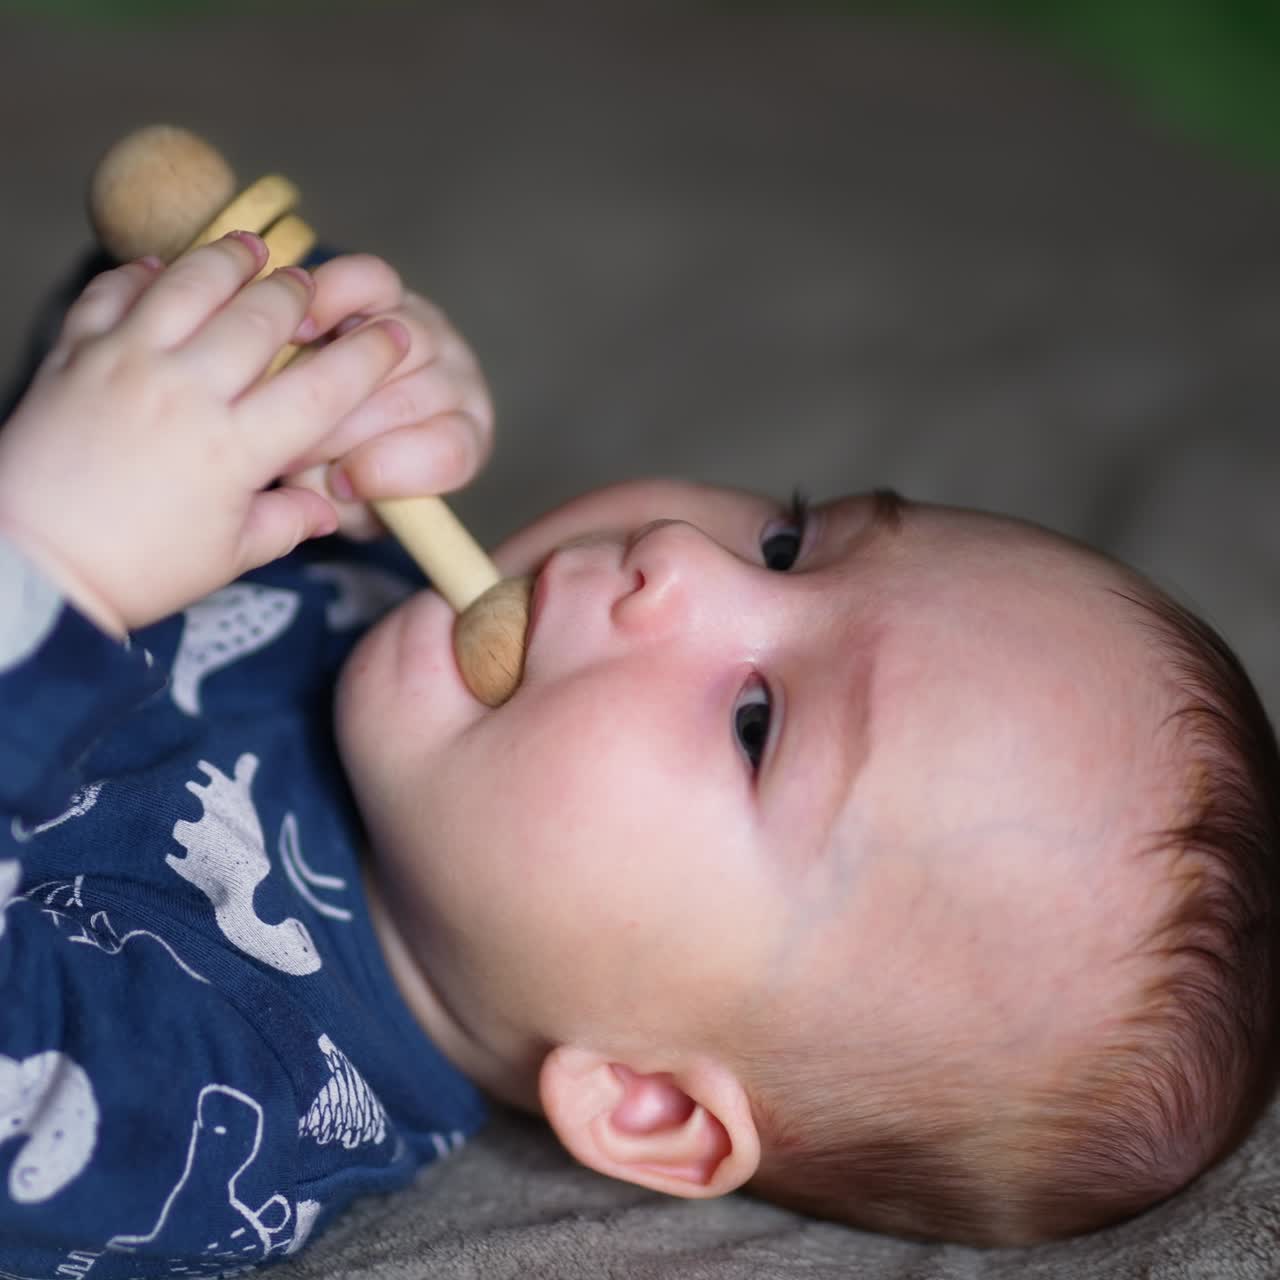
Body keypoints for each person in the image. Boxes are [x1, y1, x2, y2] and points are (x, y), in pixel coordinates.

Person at [0, 235, 1277, 1273]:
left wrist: (44, 557)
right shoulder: (380, 590)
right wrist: (302, 350)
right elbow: (101, 368)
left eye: (757, 723)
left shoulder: (193, 1103)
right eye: (789, 541)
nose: (683, 560)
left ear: (644, 1102)